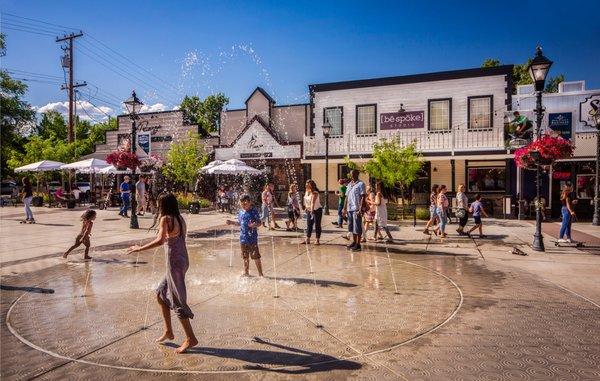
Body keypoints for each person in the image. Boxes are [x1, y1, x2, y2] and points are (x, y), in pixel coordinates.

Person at [126, 193, 198, 354]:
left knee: (177, 300)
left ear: (163, 205)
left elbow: (160, 241)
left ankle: (190, 338)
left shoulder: (166, 219)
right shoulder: (180, 218)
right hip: (182, 260)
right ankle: (168, 331)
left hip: (174, 263)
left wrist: (139, 248)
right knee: (160, 293)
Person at [226, 194, 264, 277]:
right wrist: (231, 222)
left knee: (256, 256)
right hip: (243, 238)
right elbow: (239, 223)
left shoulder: (254, 211)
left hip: (252, 238)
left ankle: (260, 274)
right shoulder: (241, 212)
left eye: (245, 203)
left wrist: (254, 225)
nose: (243, 205)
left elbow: (259, 223)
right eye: (242, 204)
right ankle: (246, 273)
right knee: (245, 257)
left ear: (250, 203)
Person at [343, 169, 366, 252]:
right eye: (350, 174)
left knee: (357, 227)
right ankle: (354, 242)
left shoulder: (361, 184)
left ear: (357, 174)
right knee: (352, 227)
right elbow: (346, 197)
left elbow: (363, 196)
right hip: (349, 209)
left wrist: (360, 208)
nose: (351, 175)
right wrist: (344, 208)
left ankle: (358, 244)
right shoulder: (349, 184)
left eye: (353, 174)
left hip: (356, 209)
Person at [302, 179, 323, 245]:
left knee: (317, 225)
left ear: (311, 185)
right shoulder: (306, 191)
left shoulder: (315, 192)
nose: (306, 184)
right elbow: (305, 199)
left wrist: (312, 210)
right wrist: (305, 207)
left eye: (308, 184)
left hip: (317, 210)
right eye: (306, 183)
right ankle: (307, 239)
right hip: (309, 210)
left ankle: (317, 240)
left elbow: (312, 203)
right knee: (309, 224)